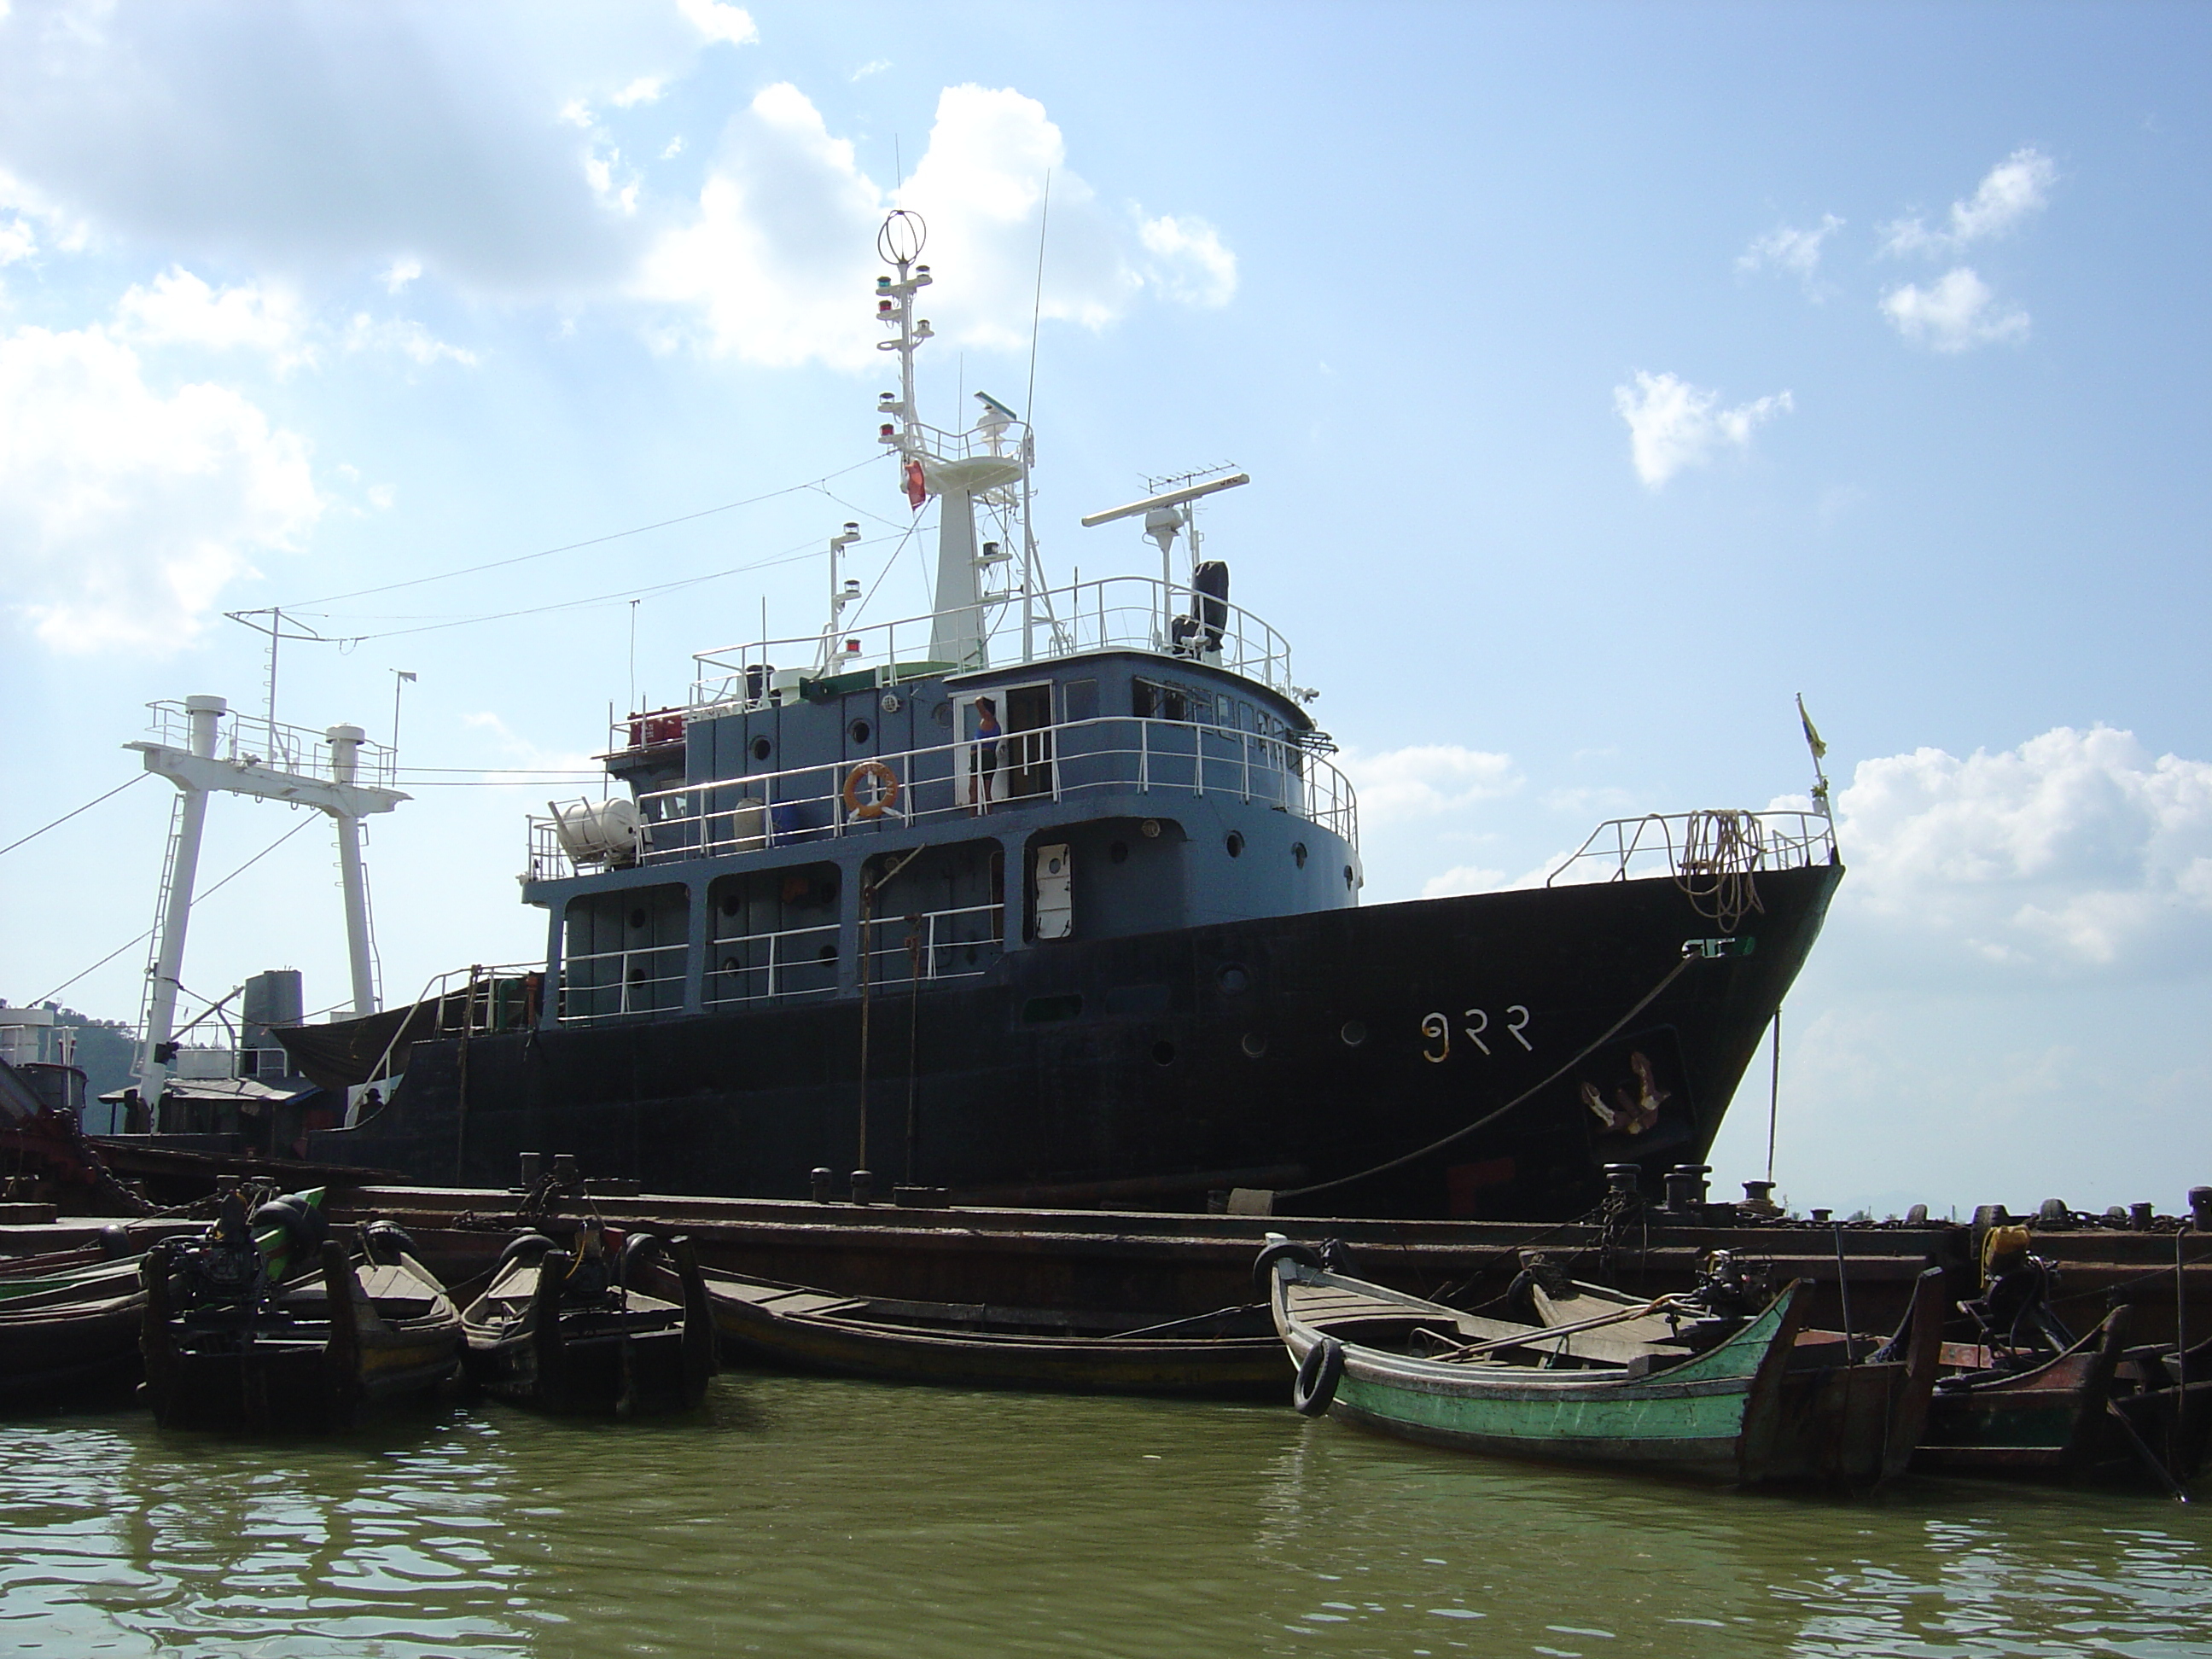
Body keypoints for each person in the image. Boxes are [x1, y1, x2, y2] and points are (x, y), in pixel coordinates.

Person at [969, 696, 1001, 812]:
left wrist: (982, 699)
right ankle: (988, 814)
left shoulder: (989, 719)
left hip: (983, 757)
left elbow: (978, 702)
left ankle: (973, 818)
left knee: (974, 790)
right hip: (985, 757)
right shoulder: (991, 721)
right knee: (985, 791)